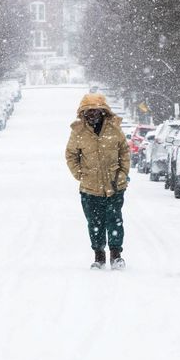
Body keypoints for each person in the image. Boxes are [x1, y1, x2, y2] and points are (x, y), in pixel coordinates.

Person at [65, 93, 130, 270]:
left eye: (95, 111)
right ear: (83, 113)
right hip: (89, 188)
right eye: (88, 111)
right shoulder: (78, 131)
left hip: (115, 185)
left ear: (102, 111)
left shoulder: (114, 129)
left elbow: (124, 151)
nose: (92, 114)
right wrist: (80, 174)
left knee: (114, 220)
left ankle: (116, 256)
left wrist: (123, 173)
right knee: (95, 222)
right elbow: (71, 155)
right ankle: (99, 256)